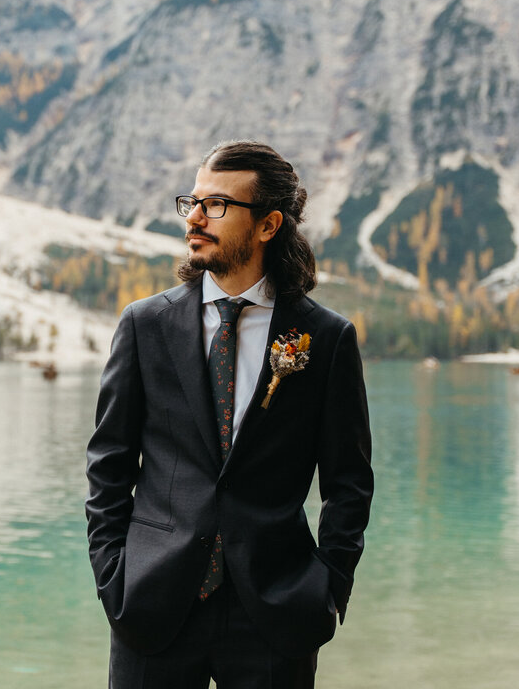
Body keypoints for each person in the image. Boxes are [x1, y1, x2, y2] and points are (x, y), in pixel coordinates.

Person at [85, 140, 374, 688]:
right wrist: (113, 578)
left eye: (216, 205)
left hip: (276, 610)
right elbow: (109, 465)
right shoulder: (145, 325)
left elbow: (349, 482)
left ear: (267, 226)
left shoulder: (327, 338)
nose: (194, 217)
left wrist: (327, 587)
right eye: (191, 202)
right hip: (152, 605)